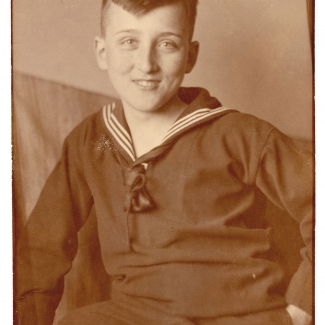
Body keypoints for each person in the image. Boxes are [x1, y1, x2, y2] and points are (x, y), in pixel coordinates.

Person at [15, 0, 313, 324]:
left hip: (240, 314)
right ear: (102, 52)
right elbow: (41, 250)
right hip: (136, 315)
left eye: (167, 44)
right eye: (129, 41)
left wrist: (303, 304)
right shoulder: (94, 141)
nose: (146, 64)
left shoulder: (237, 134)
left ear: (191, 55)